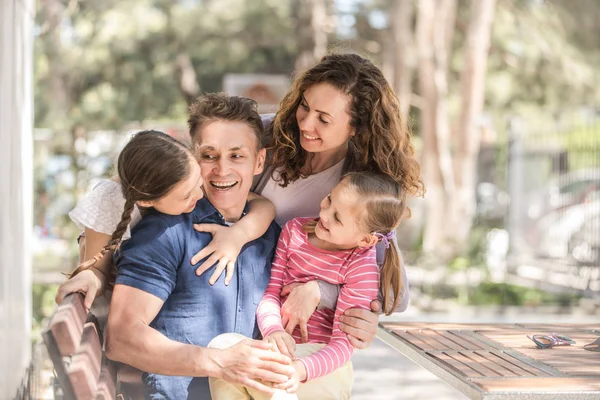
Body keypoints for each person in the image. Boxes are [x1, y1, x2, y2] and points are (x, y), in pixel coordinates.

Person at [198, 52, 425, 349]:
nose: (305, 124)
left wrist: (322, 291)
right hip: (222, 290)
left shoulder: (364, 183)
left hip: (290, 327)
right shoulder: (266, 134)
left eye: (324, 119)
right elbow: (191, 171)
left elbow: (394, 291)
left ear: (357, 126)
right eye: (304, 106)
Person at [106, 94, 295, 399]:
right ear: (194, 157)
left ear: (259, 161)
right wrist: (220, 363)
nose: (221, 170)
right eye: (209, 156)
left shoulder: (273, 237)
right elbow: (121, 337)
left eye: (236, 156)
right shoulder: (167, 231)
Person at [208, 172, 409, 400]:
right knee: (222, 348)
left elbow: (342, 347)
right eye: (330, 199)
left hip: (324, 366)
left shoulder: (361, 267)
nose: (324, 213)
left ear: (365, 240)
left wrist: (300, 369)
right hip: (282, 351)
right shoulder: (294, 231)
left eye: (338, 218)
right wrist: (273, 330)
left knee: (275, 375)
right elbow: (272, 293)